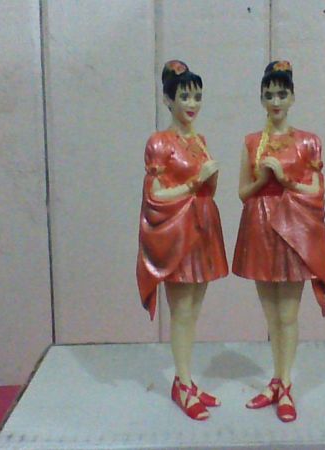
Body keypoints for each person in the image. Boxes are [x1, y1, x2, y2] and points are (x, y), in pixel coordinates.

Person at [233, 60, 325, 423]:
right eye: (269, 94)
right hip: (259, 228)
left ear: (292, 97)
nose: (275, 101)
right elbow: (243, 192)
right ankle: (276, 379)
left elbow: (316, 189)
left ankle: (286, 383)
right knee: (271, 314)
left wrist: (285, 178)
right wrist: (263, 180)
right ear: (261, 98)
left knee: (288, 314)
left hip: (293, 230)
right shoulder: (251, 142)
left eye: (281, 93)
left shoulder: (308, 141)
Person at [136, 60, 228, 421]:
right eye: (185, 96)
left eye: (197, 97)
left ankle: (186, 380)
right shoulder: (160, 143)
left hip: (203, 226)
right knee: (181, 312)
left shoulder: (199, 141)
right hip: (179, 232)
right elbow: (155, 193)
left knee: (194, 311)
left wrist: (209, 180)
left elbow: (207, 188)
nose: (192, 104)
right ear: (168, 99)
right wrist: (195, 182)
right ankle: (183, 382)